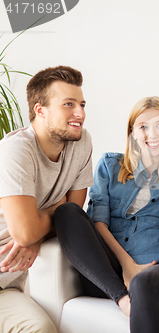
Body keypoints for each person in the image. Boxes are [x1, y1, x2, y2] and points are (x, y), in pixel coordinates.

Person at [53, 96, 159, 333]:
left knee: (143, 282)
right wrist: (127, 266)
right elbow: (99, 223)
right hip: (112, 276)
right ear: (133, 133)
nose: (152, 133)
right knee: (67, 211)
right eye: (143, 127)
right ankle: (125, 302)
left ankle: (136, 298)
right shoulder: (110, 166)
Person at [0, 65, 91, 332]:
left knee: (41, 328)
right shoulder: (16, 151)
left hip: (6, 288)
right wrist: (59, 209)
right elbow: (26, 232)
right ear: (40, 110)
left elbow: (73, 213)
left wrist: (38, 231)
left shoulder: (82, 143)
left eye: (82, 104)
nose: (80, 113)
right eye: (68, 104)